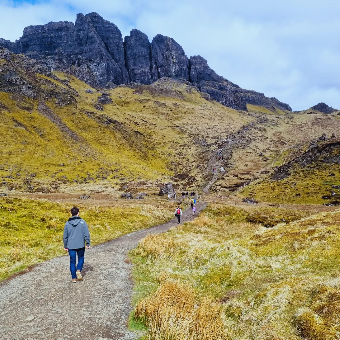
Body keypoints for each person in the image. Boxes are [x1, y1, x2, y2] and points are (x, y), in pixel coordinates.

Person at [63, 206, 91, 283]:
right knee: (81, 257)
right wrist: (88, 243)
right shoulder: (82, 222)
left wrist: (65, 246)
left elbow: (65, 236)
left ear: (71, 213)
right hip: (81, 244)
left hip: (71, 245)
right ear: (78, 213)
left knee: (72, 261)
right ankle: (78, 270)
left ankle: (74, 278)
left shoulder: (67, 223)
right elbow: (87, 234)